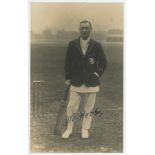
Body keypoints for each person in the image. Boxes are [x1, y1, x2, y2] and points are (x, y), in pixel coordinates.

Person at [62, 20, 107, 139]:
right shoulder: (72, 44)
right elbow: (68, 62)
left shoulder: (96, 45)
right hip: (76, 81)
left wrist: (97, 74)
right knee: (71, 106)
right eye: (82, 28)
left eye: (87, 28)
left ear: (90, 30)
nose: (84, 30)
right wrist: (68, 77)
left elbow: (103, 62)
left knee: (89, 108)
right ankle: (69, 128)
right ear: (79, 30)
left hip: (91, 82)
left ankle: (85, 129)